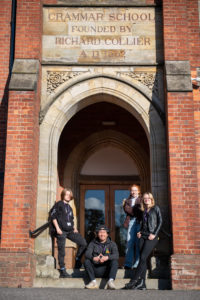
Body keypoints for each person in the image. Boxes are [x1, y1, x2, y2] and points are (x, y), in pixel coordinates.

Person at [123, 192, 162, 290]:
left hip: (151, 236)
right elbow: (142, 222)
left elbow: (160, 221)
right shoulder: (143, 210)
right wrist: (139, 231)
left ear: (151, 199)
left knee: (143, 257)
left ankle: (134, 281)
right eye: (145, 198)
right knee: (142, 259)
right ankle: (142, 284)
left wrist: (154, 234)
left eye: (148, 198)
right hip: (143, 236)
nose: (146, 199)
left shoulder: (155, 208)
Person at [51, 188, 87, 278]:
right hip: (61, 231)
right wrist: (57, 228)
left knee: (83, 243)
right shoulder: (59, 204)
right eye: (66, 194)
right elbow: (53, 216)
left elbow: (70, 219)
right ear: (63, 195)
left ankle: (78, 260)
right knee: (62, 250)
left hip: (70, 230)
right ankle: (62, 270)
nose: (68, 196)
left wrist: (74, 228)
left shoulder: (70, 207)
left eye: (69, 195)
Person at [84, 225, 119, 289]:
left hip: (106, 271)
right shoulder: (92, 243)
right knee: (87, 261)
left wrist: (107, 258)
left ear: (107, 234)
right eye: (100, 232)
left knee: (115, 261)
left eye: (104, 232)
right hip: (95, 269)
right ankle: (93, 282)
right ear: (97, 234)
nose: (102, 234)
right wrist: (94, 258)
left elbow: (116, 255)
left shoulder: (112, 244)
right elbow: (87, 254)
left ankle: (110, 282)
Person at [123, 184, 142, 269]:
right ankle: (128, 263)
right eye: (132, 190)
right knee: (129, 242)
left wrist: (135, 210)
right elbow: (128, 210)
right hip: (131, 221)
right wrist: (136, 210)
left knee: (138, 243)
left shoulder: (142, 199)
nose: (133, 192)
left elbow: (142, 211)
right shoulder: (127, 201)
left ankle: (137, 264)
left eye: (135, 190)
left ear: (138, 191)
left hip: (140, 221)